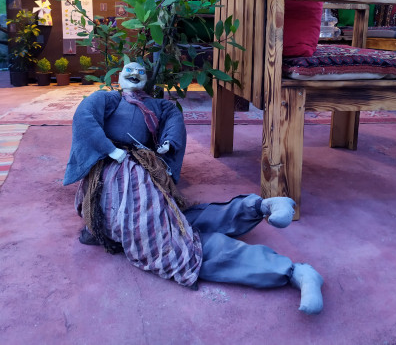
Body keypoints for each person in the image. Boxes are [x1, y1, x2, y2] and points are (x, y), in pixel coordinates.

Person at [64, 62, 324, 314]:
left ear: (147, 79)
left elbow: (173, 119)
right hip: (117, 165)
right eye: (129, 71)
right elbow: (85, 117)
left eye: (140, 72)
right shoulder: (108, 99)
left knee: (170, 244)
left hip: (139, 173)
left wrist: (168, 143)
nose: (134, 75)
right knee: (176, 218)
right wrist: (110, 149)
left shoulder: (157, 105)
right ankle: (260, 206)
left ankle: (290, 270)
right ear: (120, 75)